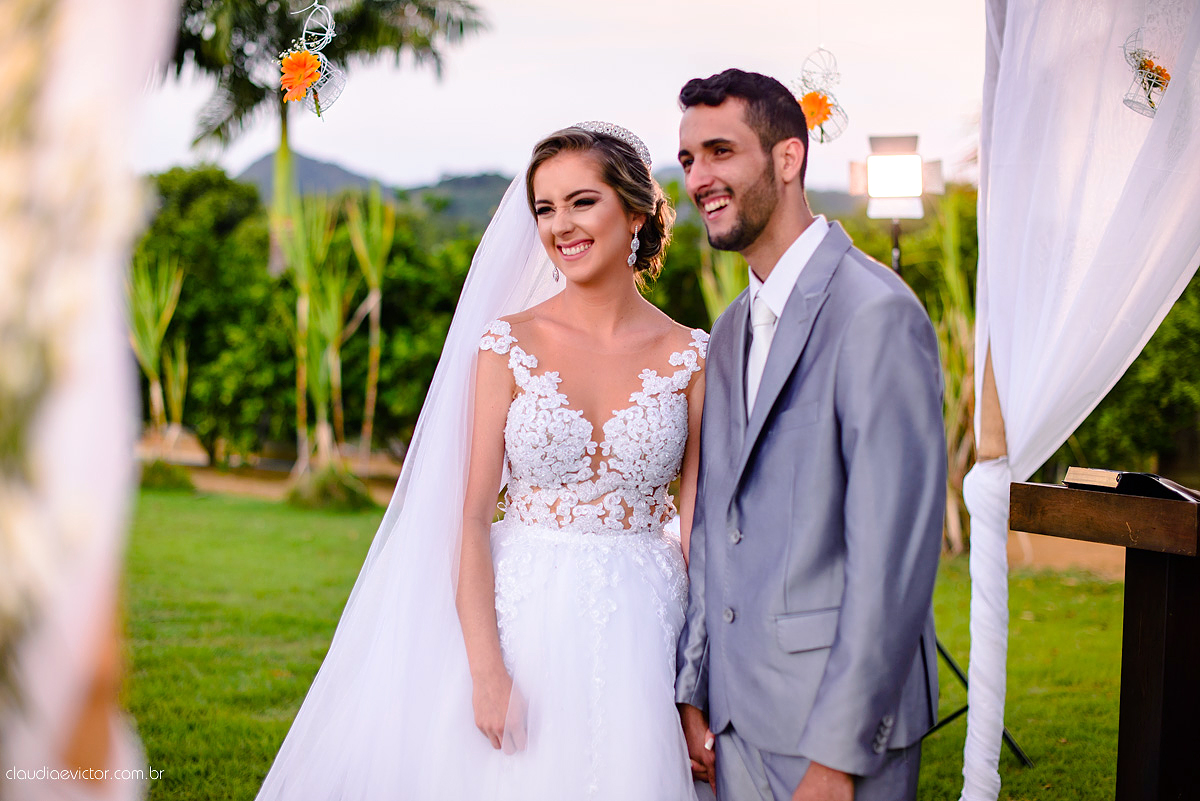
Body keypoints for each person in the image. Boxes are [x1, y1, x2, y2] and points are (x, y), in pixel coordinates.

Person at [256, 122, 705, 800]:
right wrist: (487, 672)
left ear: (636, 211)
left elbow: (699, 528)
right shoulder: (506, 345)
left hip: (646, 623)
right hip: (520, 615)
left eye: (582, 201)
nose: (560, 225)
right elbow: (468, 517)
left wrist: (696, 688)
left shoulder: (692, 356)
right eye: (546, 208)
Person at [673, 69, 946, 801]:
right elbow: (711, 526)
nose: (700, 177)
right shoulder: (728, 332)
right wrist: (693, 688)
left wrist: (839, 754)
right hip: (731, 727)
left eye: (721, 151)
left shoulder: (875, 314)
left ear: (787, 158)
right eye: (690, 159)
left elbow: (893, 559)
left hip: (835, 734)